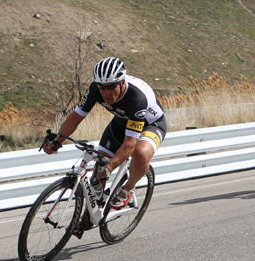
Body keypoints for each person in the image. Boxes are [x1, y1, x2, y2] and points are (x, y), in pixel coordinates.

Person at [43, 57, 166, 210]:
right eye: (102, 87)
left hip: (151, 125)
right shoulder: (95, 89)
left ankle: (128, 188)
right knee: (98, 169)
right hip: (121, 122)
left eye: (111, 87)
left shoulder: (137, 98)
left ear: (121, 83)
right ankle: (88, 216)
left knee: (140, 153)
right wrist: (58, 141)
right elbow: (77, 116)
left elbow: (130, 143)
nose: (106, 92)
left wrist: (110, 167)